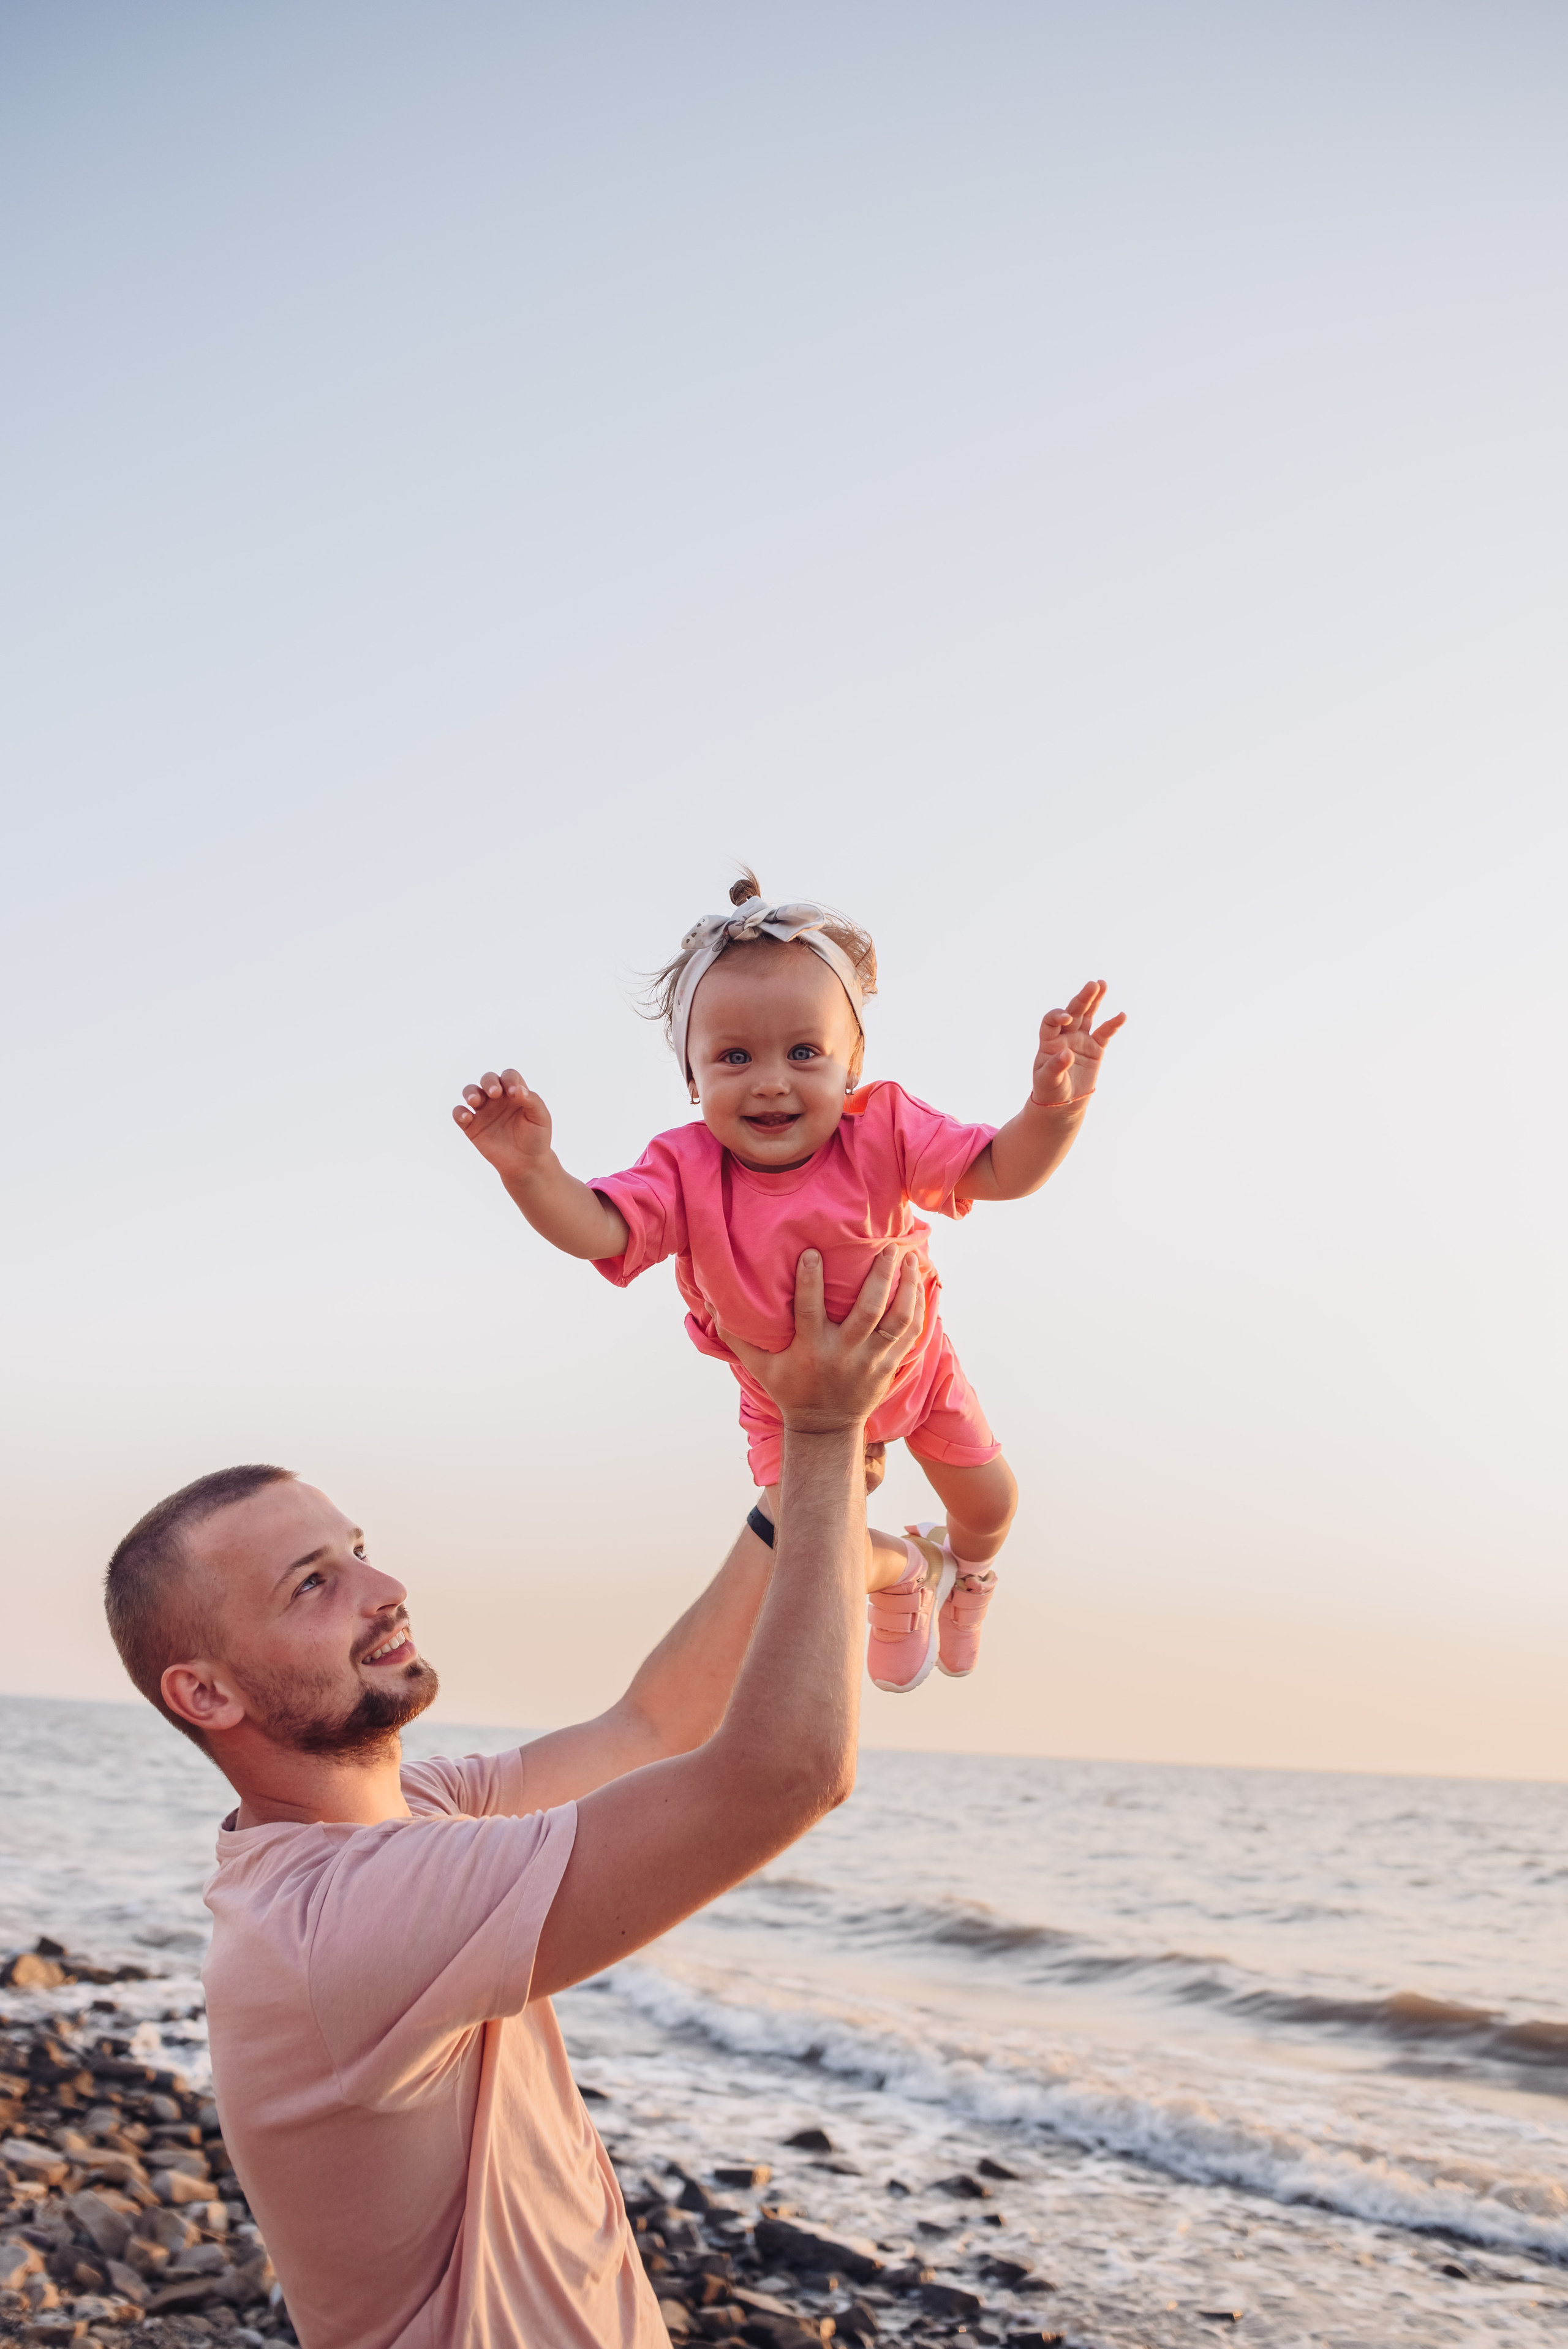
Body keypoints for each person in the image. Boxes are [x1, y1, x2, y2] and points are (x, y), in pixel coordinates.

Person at [103, 1246, 922, 2349]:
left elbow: (652, 1728)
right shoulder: (339, 1923)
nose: (386, 1589)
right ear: (206, 1692)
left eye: (358, 1550)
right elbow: (781, 1777)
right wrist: (822, 1436)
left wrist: (789, 1506)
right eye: (314, 1584)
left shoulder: (411, 1813)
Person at [454, 868, 1123, 1696]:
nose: (771, 1079)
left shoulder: (884, 1128)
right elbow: (601, 1227)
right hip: (785, 1402)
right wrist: (531, 1171)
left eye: (804, 1052)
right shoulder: (685, 1169)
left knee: (991, 1505)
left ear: (852, 1066)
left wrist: (1055, 1109)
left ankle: (971, 1576)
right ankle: (908, 1575)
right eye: (734, 1057)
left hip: (914, 1374)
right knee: (815, 1556)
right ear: (692, 1078)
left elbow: (998, 1170)